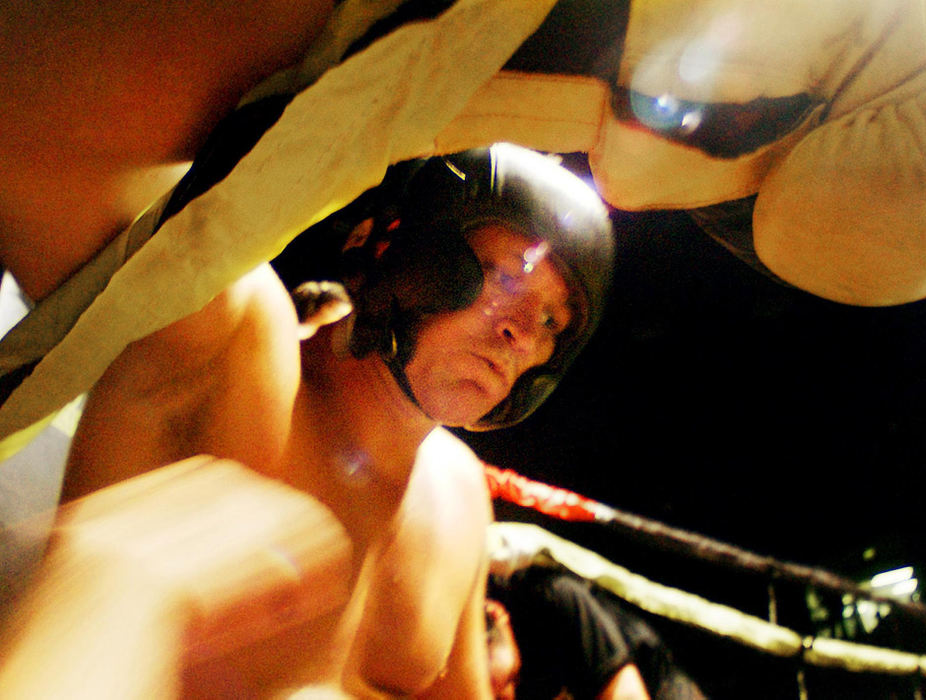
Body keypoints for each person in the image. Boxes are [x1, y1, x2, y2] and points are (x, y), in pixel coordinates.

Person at [52, 143, 615, 698]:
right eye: (504, 277)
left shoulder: (461, 494)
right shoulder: (232, 338)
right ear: (394, 247)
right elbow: (66, 162)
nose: (521, 332)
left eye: (551, 319)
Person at [485, 565, 708, 700]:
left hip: (653, 684)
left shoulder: (552, 597)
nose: (508, 696)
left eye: (508, 682)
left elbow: (628, 696)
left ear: (498, 615)